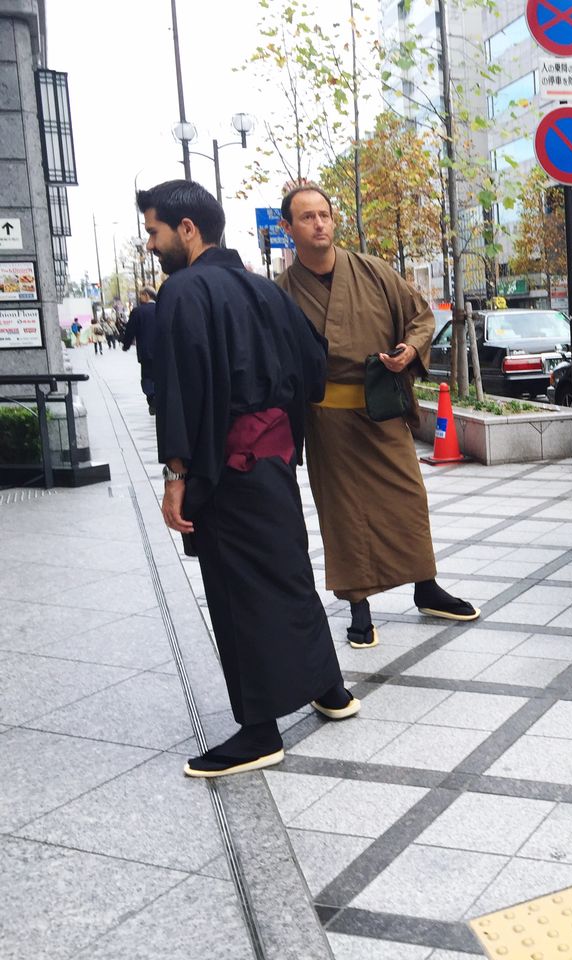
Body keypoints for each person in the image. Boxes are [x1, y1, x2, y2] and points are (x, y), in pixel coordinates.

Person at [137, 179, 359, 778]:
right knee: (287, 571)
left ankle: (259, 731)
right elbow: (313, 366)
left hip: (226, 464)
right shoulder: (266, 291)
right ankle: (330, 690)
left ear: (188, 230)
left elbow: (186, 387)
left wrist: (177, 473)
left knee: (238, 590)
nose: (152, 244)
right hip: (274, 456)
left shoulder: (183, 291)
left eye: (155, 231)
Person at [276, 184, 477, 648]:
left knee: (409, 500)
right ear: (288, 229)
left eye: (324, 214)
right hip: (328, 422)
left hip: (382, 411)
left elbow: (421, 317)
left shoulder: (373, 271)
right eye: (307, 217)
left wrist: (410, 350)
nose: (319, 224)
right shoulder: (282, 293)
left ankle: (426, 587)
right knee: (345, 518)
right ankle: (359, 609)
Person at [121, 285, 159, 414]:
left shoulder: (138, 311)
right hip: (163, 351)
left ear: (146, 295)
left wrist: (126, 345)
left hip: (146, 351)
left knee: (147, 377)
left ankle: (152, 399)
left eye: (141, 295)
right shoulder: (162, 307)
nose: (140, 298)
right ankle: (160, 398)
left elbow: (130, 331)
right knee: (161, 375)